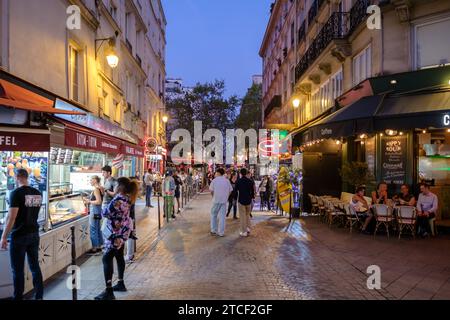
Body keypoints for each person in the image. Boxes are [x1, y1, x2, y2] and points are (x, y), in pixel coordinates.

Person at [0, 169, 44, 300]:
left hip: (19, 236)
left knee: (18, 271)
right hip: (34, 234)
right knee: (35, 266)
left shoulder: (16, 193)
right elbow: (32, 212)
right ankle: (39, 296)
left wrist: (3, 236)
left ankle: (18, 297)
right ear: (27, 176)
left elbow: (11, 218)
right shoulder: (37, 193)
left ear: (18, 177)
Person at [95, 177, 138, 300]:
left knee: (106, 259)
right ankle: (120, 282)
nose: (115, 186)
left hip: (114, 234)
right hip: (121, 233)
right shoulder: (128, 198)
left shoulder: (118, 199)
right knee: (119, 256)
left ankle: (108, 291)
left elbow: (106, 213)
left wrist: (104, 201)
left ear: (121, 187)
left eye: (117, 184)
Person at [209, 168, 233, 237]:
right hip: (224, 201)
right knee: (222, 217)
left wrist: (213, 196)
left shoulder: (214, 180)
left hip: (216, 200)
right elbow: (230, 190)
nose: (215, 174)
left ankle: (213, 230)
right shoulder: (227, 181)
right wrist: (226, 197)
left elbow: (211, 190)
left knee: (214, 215)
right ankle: (221, 232)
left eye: (216, 172)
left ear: (218, 173)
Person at [84, 176, 103, 255]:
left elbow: (99, 201)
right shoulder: (101, 188)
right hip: (98, 211)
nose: (90, 181)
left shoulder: (96, 189)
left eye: (91, 180)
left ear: (95, 180)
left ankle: (95, 248)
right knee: (97, 228)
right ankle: (99, 246)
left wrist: (89, 201)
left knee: (93, 229)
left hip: (94, 210)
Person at [235, 168, 255, 237]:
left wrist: (235, 198)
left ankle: (244, 232)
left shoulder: (238, 181)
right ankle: (248, 228)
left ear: (240, 173)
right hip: (248, 200)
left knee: (242, 216)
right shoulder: (250, 181)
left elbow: (235, 191)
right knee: (247, 215)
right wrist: (252, 197)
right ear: (246, 173)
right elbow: (252, 191)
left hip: (241, 200)